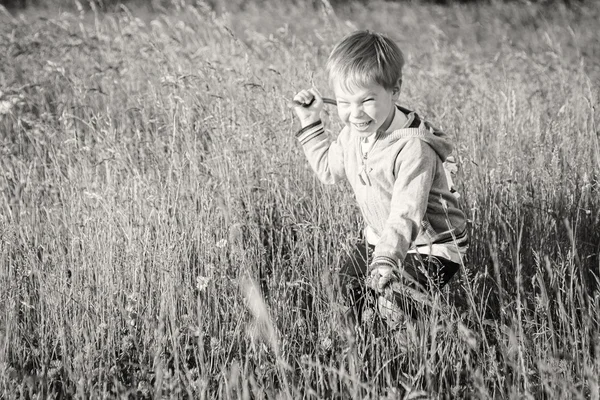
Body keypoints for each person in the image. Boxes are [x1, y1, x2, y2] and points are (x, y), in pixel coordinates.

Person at [292, 30, 469, 328]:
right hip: (382, 237)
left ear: (394, 90)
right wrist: (310, 120)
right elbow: (327, 169)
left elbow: (406, 213)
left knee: (394, 306)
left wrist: (386, 260)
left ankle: (423, 353)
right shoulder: (353, 135)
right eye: (345, 103)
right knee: (344, 293)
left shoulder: (413, 148)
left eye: (367, 100)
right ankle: (361, 355)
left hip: (432, 244)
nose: (355, 113)